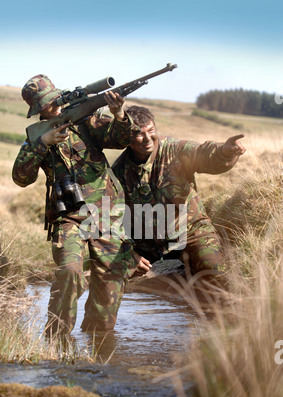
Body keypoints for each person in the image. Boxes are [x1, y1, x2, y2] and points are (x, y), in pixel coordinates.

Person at [12, 74, 143, 339]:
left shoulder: (86, 121)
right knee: (70, 271)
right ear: (39, 110)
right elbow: (21, 178)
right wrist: (41, 145)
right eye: (46, 104)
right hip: (68, 216)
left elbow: (121, 139)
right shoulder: (37, 138)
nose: (54, 106)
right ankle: (56, 340)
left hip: (106, 213)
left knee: (111, 279)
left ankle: (99, 343)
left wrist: (119, 113)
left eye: (54, 100)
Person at [112, 105, 246, 289]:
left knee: (215, 274)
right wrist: (129, 254)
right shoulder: (118, 171)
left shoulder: (176, 150)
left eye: (151, 131)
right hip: (148, 242)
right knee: (114, 274)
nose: (147, 138)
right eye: (139, 134)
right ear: (126, 136)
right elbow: (114, 219)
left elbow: (204, 153)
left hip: (191, 232)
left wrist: (224, 151)